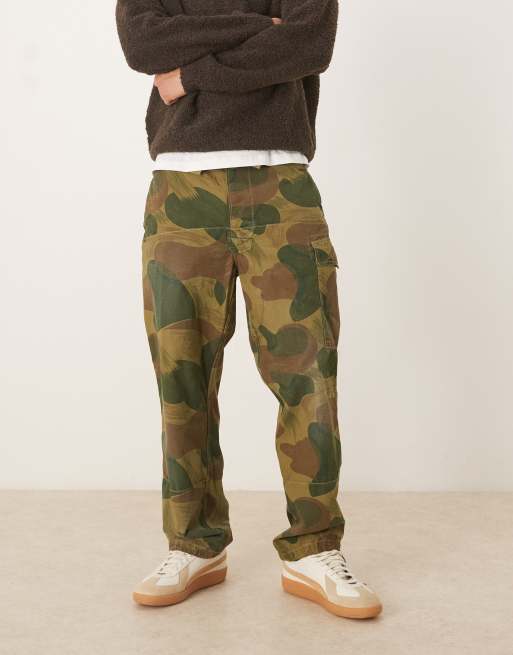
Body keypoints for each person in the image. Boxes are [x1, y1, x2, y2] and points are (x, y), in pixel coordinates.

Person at [115, 0, 382, 619]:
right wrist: (260, 28)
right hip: (181, 190)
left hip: (280, 184)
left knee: (307, 372)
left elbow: (309, 44)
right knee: (181, 375)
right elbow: (143, 46)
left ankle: (314, 548)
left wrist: (190, 74)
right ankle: (194, 545)